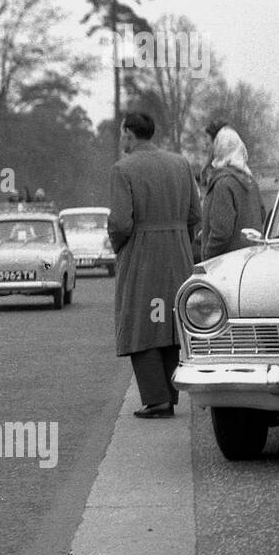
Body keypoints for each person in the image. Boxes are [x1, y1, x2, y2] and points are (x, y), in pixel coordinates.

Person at [108, 111, 201, 418]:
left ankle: (157, 398)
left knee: (141, 324)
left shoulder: (123, 169)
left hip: (141, 254)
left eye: (123, 134)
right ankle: (170, 394)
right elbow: (194, 215)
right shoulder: (181, 163)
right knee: (171, 323)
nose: (122, 139)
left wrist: (118, 246)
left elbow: (121, 222)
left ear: (129, 134)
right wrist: (180, 241)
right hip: (177, 253)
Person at [200, 127, 265, 260]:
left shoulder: (223, 183)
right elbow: (262, 214)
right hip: (251, 258)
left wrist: (208, 256)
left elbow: (221, 231)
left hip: (226, 263)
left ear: (219, 149)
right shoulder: (250, 180)